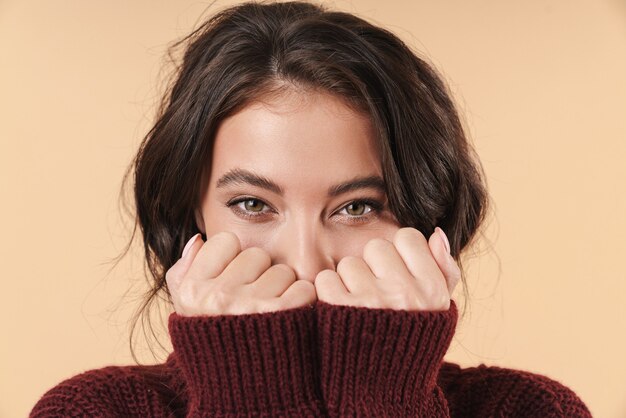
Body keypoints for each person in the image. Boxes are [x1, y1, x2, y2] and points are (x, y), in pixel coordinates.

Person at [30, 1, 592, 416]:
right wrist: (247, 395)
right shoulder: (93, 410)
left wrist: (386, 399)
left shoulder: (530, 409)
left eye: (358, 207)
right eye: (252, 204)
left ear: (424, 219)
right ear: (192, 218)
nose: (305, 262)